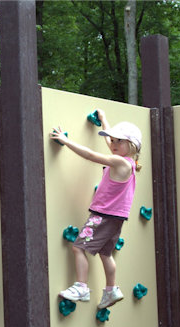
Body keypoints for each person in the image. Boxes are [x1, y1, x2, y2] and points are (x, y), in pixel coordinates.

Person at [49, 110, 142, 309]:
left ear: (132, 145)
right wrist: (104, 121)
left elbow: (91, 155)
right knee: (105, 254)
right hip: (116, 218)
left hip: (103, 216)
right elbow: (109, 143)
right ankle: (111, 290)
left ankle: (81, 287)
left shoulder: (119, 162)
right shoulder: (129, 163)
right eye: (114, 141)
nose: (114, 145)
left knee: (78, 247)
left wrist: (66, 141)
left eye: (120, 142)